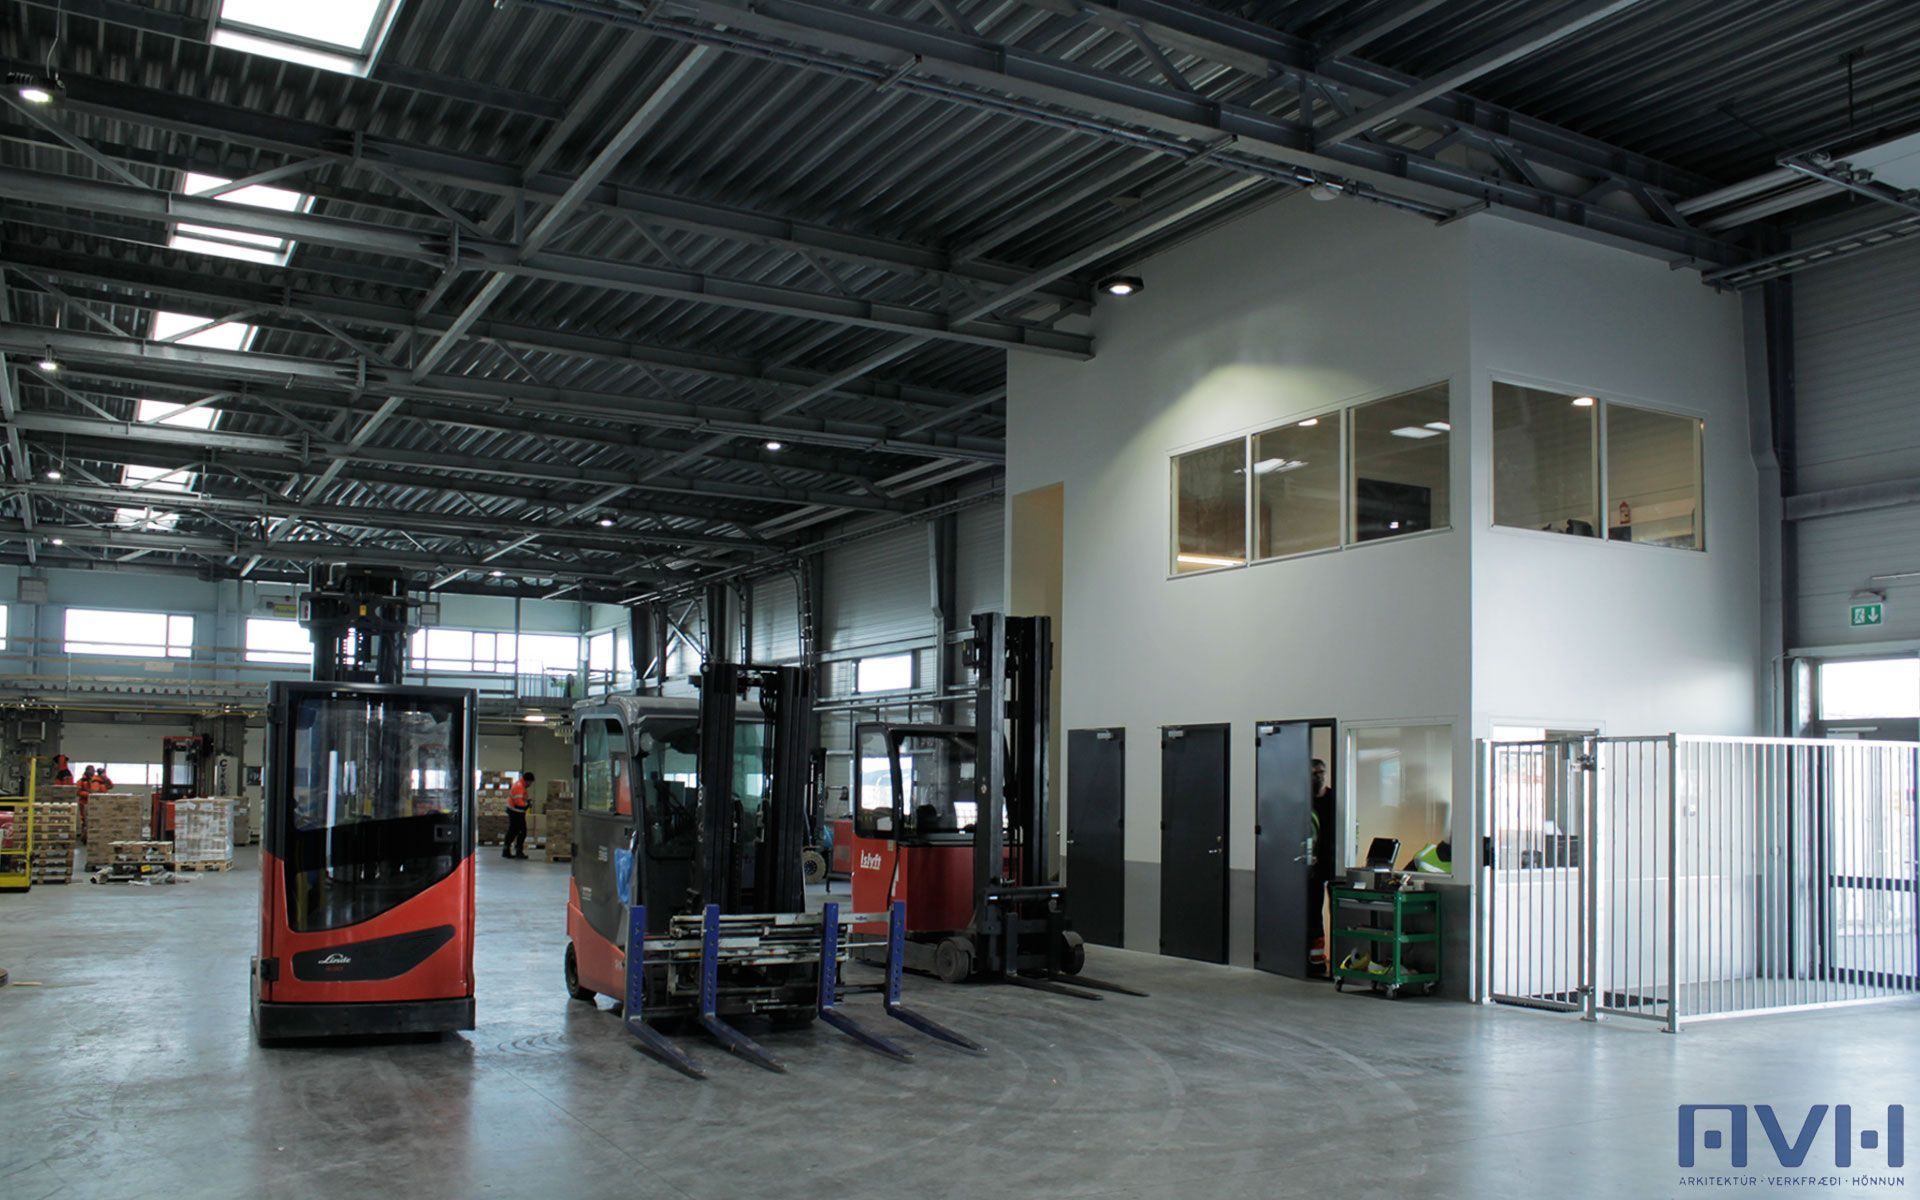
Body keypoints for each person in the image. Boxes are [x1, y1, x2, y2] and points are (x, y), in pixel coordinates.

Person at [1307, 758, 1336, 975]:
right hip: (1312, 867)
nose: (1318, 777)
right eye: (1314, 773)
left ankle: (1339, 960)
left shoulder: (1335, 799)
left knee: (1338, 911)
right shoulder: (1304, 801)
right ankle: (1316, 960)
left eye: (1321, 772)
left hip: (1334, 864)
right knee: (1313, 911)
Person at [504, 770, 534, 860]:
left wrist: (527, 801)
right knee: (521, 832)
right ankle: (518, 851)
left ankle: (507, 850)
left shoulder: (521, 785)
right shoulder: (519, 786)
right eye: (530, 782)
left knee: (513, 831)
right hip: (515, 811)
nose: (530, 784)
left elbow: (522, 798)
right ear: (527, 781)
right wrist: (527, 805)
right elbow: (519, 803)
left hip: (516, 811)